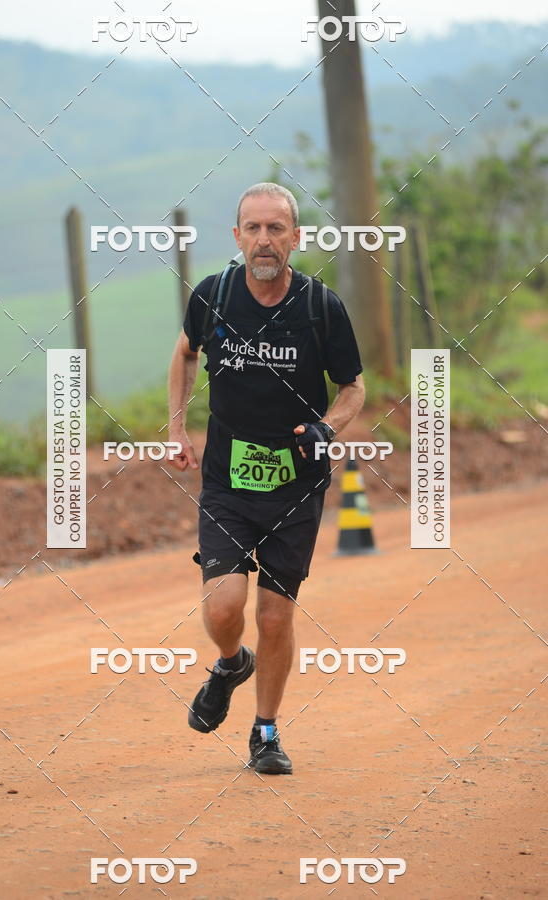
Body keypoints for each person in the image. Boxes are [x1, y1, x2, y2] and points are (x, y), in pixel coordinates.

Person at [167, 182, 365, 774]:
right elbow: (183, 354)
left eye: (276, 229)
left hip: (296, 485)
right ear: (237, 237)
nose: (264, 240)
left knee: (276, 614)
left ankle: (266, 732)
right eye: (253, 228)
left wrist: (329, 426)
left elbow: (354, 387)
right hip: (228, 479)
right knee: (225, 607)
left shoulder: (320, 306)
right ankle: (230, 663)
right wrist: (176, 428)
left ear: (295, 238)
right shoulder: (215, 296)